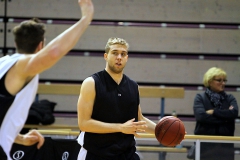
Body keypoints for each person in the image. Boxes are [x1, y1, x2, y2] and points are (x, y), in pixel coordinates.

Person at [0, 0, 94, 159]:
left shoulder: (3, 63)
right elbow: (54, 52)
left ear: (16, 43)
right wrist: (86, 18)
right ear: (41, 46)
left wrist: (19, 138)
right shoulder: (21, 66)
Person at [77, 37, 157, 160]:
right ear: (106, 56)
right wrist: (120, 128)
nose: (119, 57)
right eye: (115, 53)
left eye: (123, 54)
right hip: (96, 153)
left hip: (126, 154)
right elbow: (84, 124)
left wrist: (163, 132)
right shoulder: (91, 83)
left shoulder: (133, 86)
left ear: (127, 58)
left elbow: (139, 119)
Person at [193, 67, 238, 160]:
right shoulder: (200, 97)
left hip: (226, 148)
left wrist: (214, 112)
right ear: (209, 81)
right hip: (204, 148)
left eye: (224, 80)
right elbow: (201, 117)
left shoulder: (230, 98)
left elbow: (234, 113)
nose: (223, 83)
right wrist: (225, 118)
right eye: (219, 80)